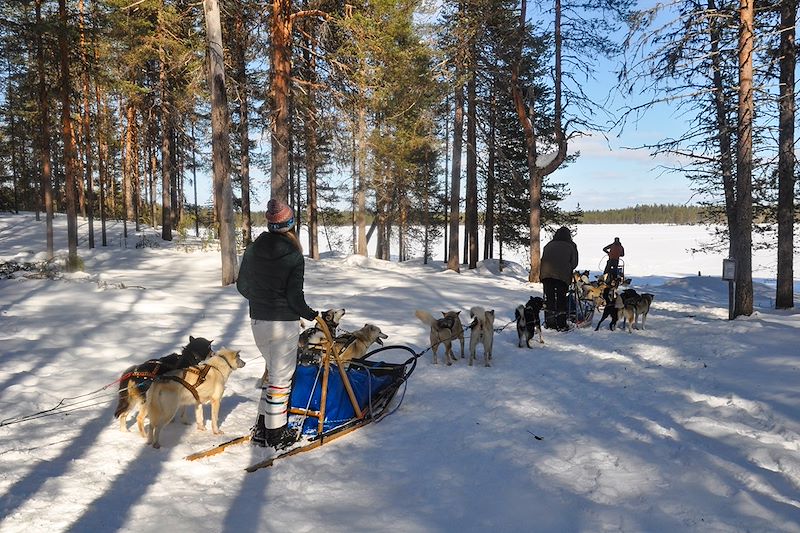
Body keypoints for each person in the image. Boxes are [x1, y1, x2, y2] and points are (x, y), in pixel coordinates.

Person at [237, 198, 318, 450]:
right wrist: (313, 315)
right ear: (291, 224)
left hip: (258, 321)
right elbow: (295, 299)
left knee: (273, 373)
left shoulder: (253, 248)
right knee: (281, 380)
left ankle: (263, 426)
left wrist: (262, 300)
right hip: (283, 324)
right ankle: (276, 435)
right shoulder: (294, 254)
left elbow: (242, 286)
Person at [540, 226, 579, 332]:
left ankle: (550, 322)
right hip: (562, 276)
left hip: (546, 275)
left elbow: (543, 259)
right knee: (561, 299)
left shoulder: (549, 245)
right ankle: (561, 323)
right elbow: (574, 263)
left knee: (550, 298)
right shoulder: (571, 246)